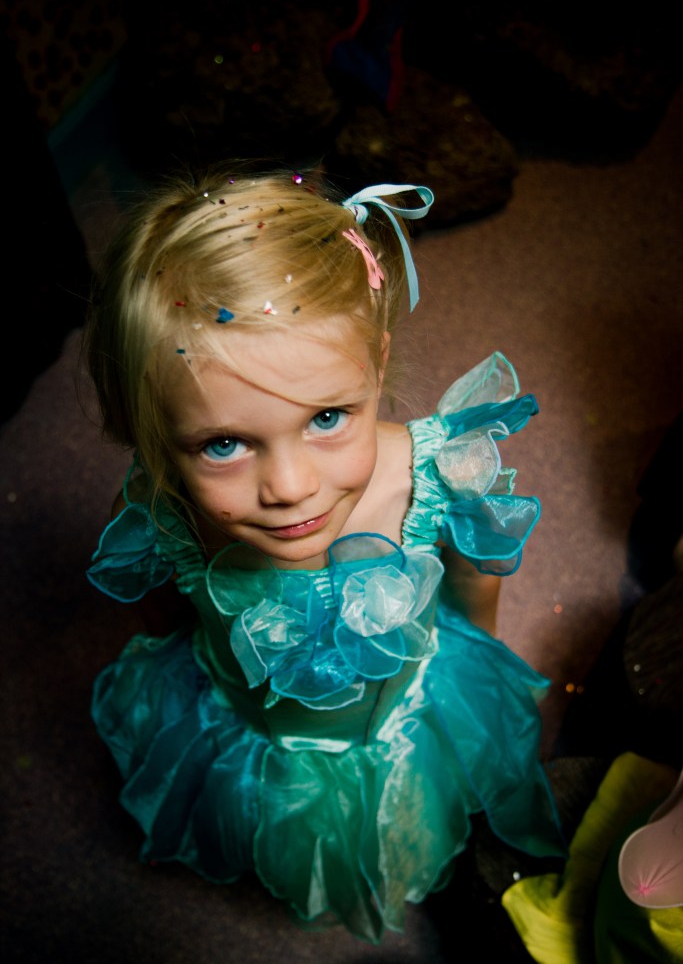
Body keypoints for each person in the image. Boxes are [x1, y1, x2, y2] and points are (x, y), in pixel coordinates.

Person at [84, 166, 565, 943]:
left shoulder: (436, 478)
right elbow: (161, 603)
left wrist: (480, 670)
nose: (289, 487)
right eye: (224, 443)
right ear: (154, 429)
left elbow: (476, 589)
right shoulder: (161, 511)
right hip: (256, 732)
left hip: (399, 719)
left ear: (376, 363)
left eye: (327, 417)